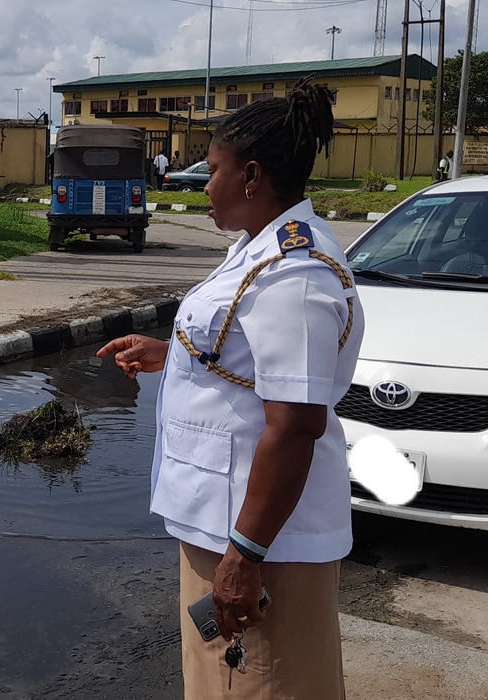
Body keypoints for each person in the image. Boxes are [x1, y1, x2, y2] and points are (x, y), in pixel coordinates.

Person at [98, 78, 364, 700]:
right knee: (219, 680)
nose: (201, 182)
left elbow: (296, 423)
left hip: (255, 536)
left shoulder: (293, 274)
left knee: (258, 683)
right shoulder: (256, 250)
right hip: (219, 520)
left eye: (210, 169)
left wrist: (245, 556)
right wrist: (175, 356)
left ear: (251, 176)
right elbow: (251, 357)